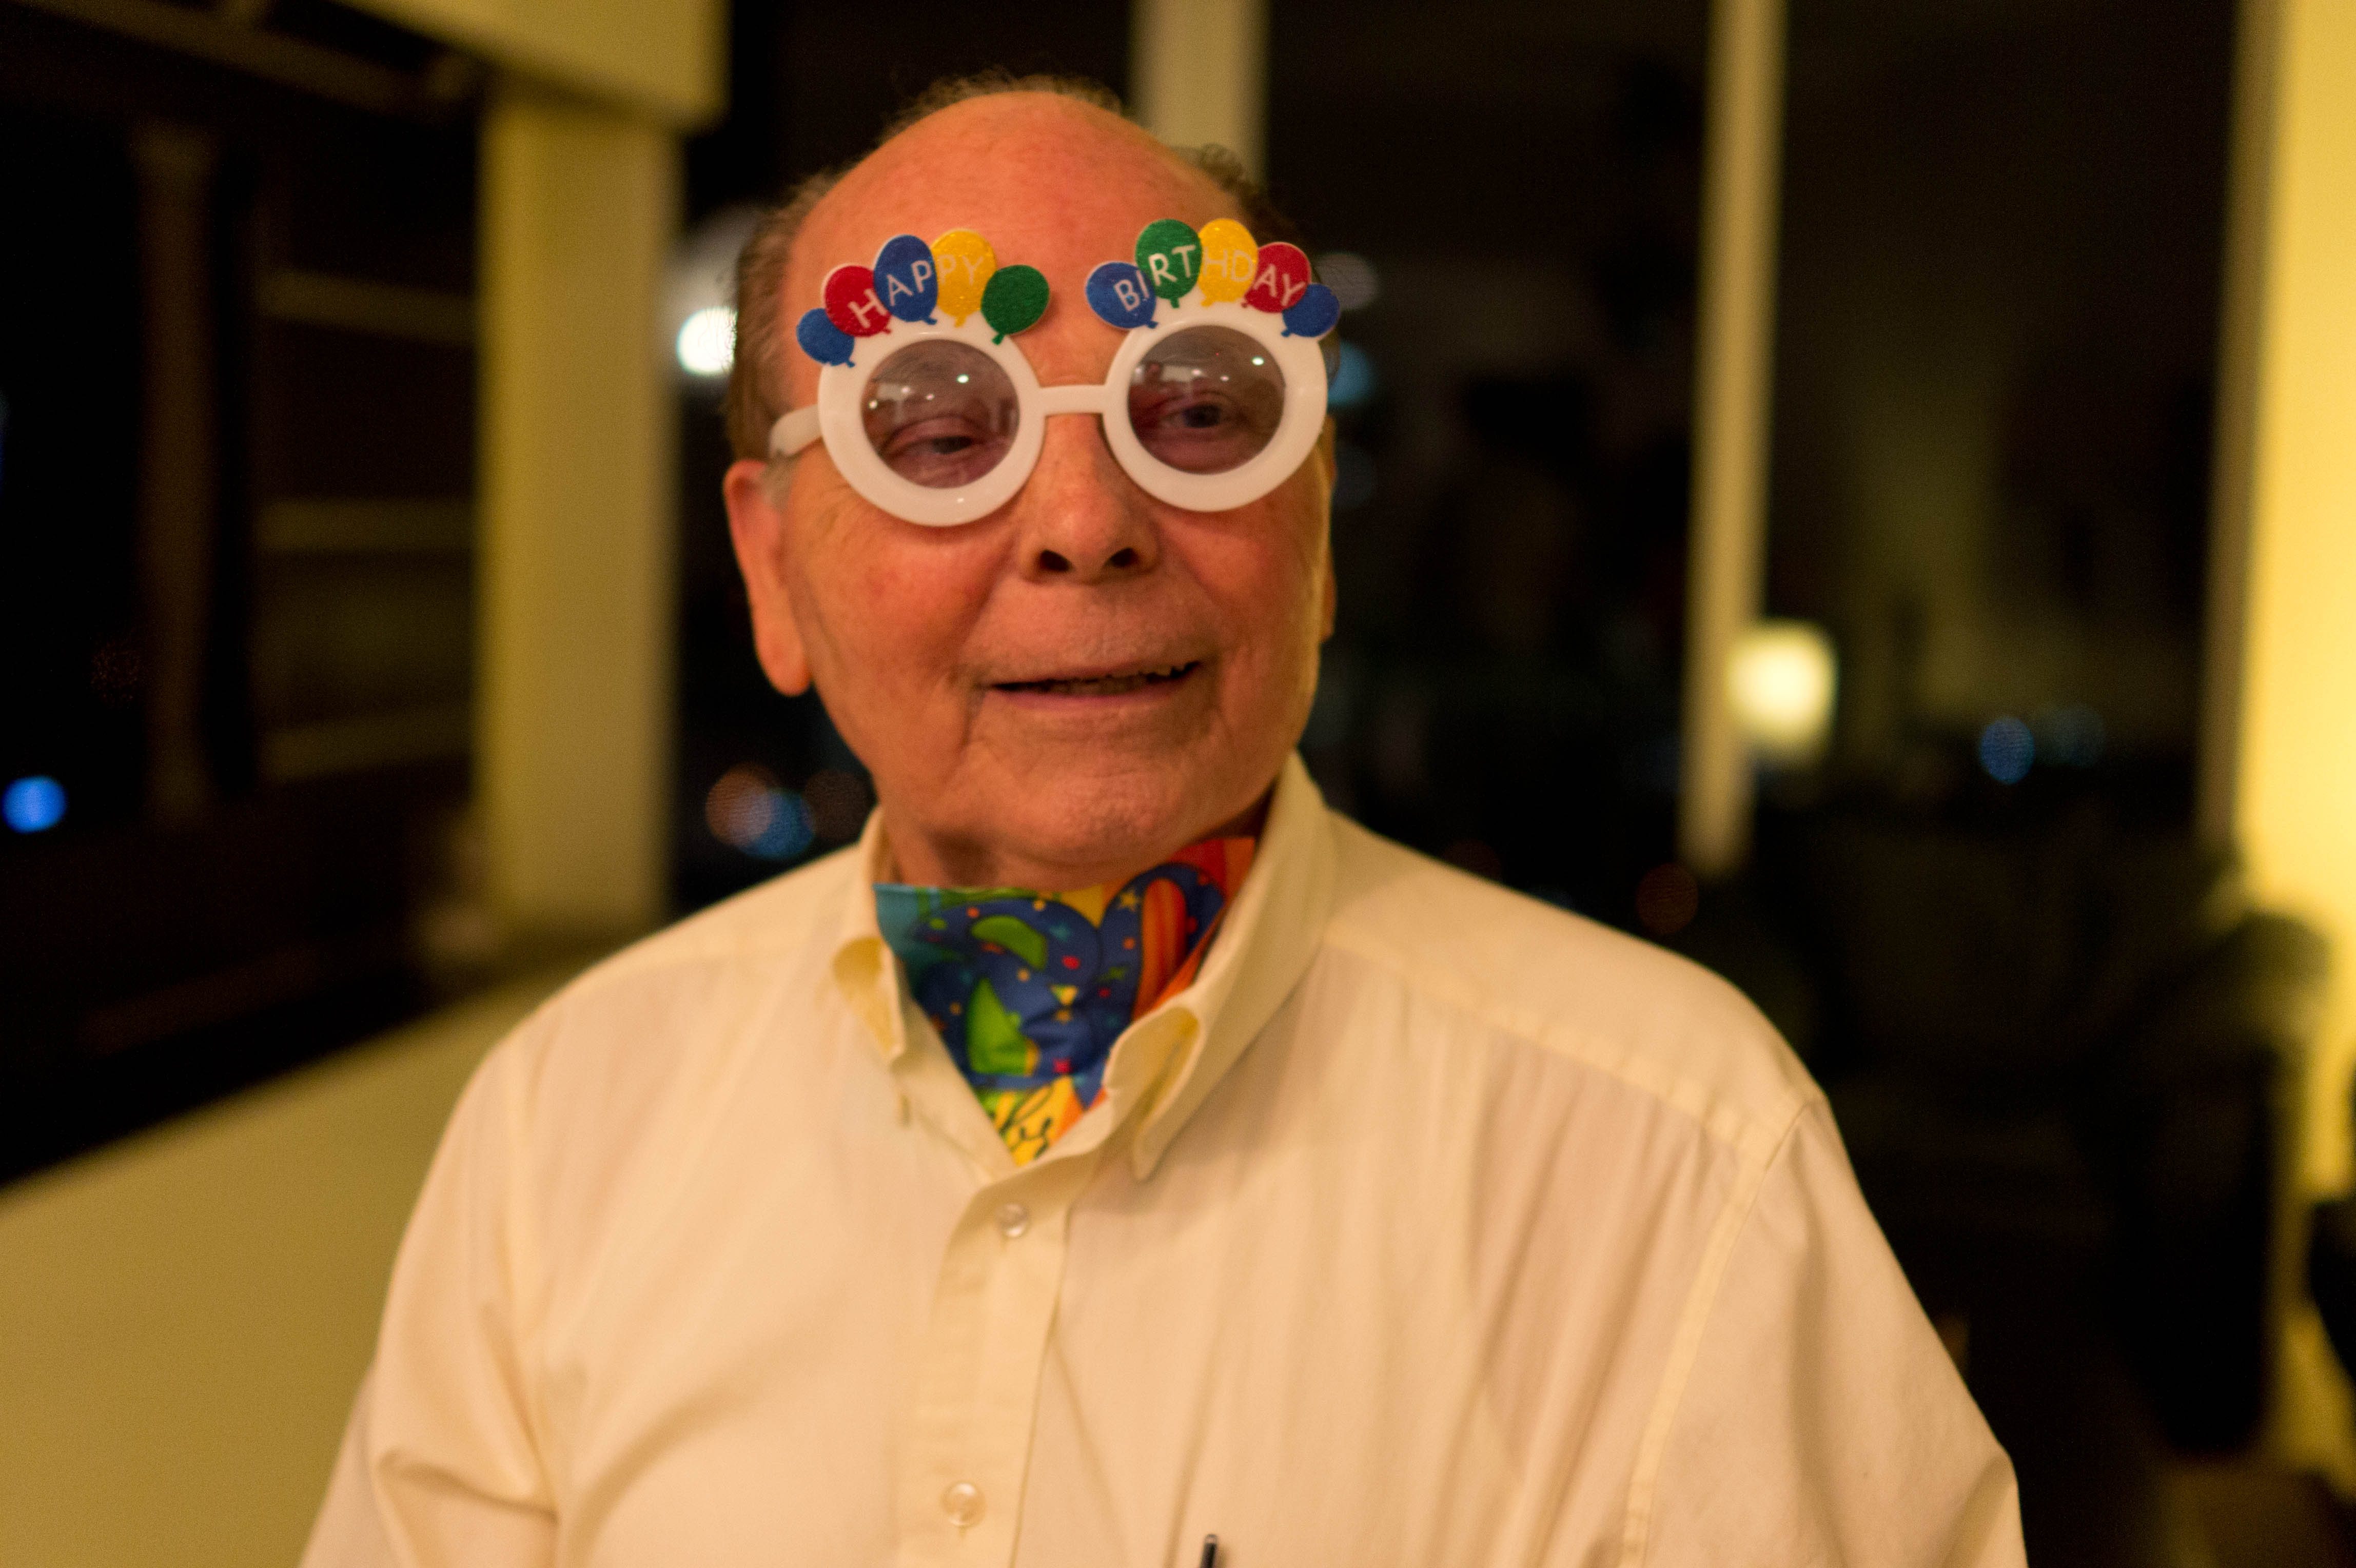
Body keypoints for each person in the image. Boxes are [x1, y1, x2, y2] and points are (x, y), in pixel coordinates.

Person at [303, 76, 2025, 1567]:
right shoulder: (564, 1131)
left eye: (1199, 411)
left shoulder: (1679, 1162)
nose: (1087, 520)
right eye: (939, 429)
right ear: (771, 566)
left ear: (1317, 531)